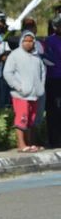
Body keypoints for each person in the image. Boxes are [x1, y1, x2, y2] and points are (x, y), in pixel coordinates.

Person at [3, 30, 46, 153]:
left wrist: (40, 87)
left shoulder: (37, 57)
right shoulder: (14, 55)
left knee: (32, 119)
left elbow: (42, 73)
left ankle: (30, 143)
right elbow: (7, 73)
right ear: (21, 41)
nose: (28, 43)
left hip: (35, 94)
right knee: (22, 118)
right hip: (21, 94)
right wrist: (18, 87)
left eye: (31, 41)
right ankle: (21, 144)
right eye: (25, 41)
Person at [45, 15, 61, 148]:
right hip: (54, 79)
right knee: (54, 110)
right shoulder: (50, 41)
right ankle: (54, 140)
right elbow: (50, 60)